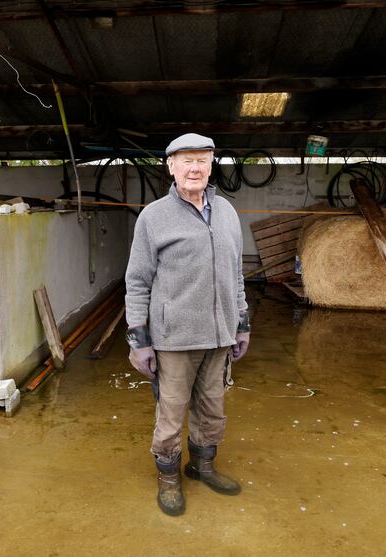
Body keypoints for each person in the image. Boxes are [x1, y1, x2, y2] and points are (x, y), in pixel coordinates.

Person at [125, 133, 251, 516]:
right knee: (171, 414)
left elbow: (236, 274)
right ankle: (168, 479)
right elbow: (137, 281)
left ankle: (202, 466)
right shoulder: (154, 217)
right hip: (174, 340)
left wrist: (241, 322)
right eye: (186, 161)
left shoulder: (228, 213)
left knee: (212, 411)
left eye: (202, 160)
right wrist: (139, 340)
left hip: (218, 337)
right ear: (171, 167)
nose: (195, 168)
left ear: (212, 164)